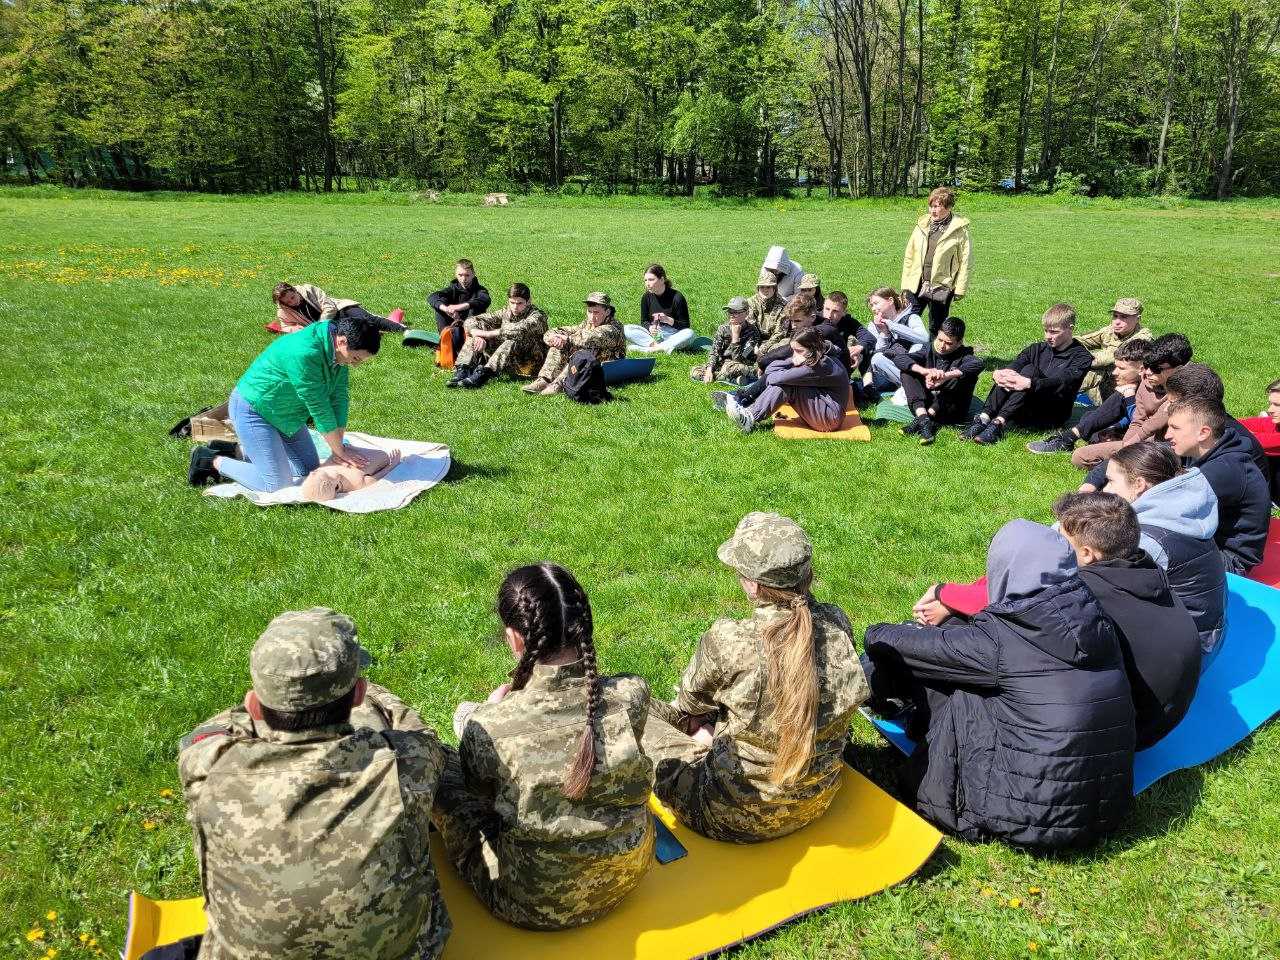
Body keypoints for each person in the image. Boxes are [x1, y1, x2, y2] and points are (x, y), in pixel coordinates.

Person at [178, 608, 451, 960]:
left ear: (254, 706)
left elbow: (204, 735)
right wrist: (378, 699)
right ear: (357, 693)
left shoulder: (207, 767)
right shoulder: (407, 762)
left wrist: (257, 710)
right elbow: (422, 736)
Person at [862, 520, 1134, 849]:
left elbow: (920, 648)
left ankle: (878, 702)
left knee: (954, 684)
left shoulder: (1005, 638)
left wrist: (876, 632)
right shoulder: (1093, 617)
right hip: (1103, 808)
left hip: (1031, 817)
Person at [432, 564, 654, 929]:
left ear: (514, 638)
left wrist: (483, 715)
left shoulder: (490, 727)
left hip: (532, 903)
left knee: (439, 766)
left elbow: (482, 797)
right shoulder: (631, 693)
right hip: (628, 874)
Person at [640, 513, 869, 842]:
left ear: (752, 583)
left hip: (730, 815)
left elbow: (690, 704)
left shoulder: (730, 641)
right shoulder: (837, 624)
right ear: (807, 574)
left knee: (628, 705)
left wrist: (703, 726)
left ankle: (706, 743)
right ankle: (713, 740)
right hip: (816, 800)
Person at [1053, 493, 1200, 749]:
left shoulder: (1082, 597)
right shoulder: (1146, 569)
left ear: (1087, 553)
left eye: (1061, 539)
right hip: (1166, 717)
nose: (1054, 543)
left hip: (1128, 735)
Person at [188, 315, 400, 491]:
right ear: (342, 341)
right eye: (356, 359)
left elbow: (339, 398)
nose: (355, 365)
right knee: (277, 484)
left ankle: (235, 451)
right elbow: (319, 406)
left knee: (308, 471)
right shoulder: (305, 352)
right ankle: (211, 460)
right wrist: (339, 450)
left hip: (286, 415)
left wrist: (339, 445)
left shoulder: (337, 353)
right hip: (254, 410)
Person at [1105, 442, 1226, 657]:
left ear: (1139, 484)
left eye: (1111, 481)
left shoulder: (1147, 540)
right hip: (1210, 635)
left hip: (1184, 654)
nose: (1105, 489)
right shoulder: (1184, 510)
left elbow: (1108, 591)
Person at [1165, 397, 1271, 574]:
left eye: (1175, 428)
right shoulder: (1203, 451)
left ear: (1203, 433)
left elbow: (1167, 511)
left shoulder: (1225, 469)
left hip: (1230, 562)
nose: (1167, 435)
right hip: (1209, 546)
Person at [962, 303, 1092, 446]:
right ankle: (984, 418)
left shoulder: (1082, 357)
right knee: (1011, 373)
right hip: (1024, 406)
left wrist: (1031, 383)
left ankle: (998, 423)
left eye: (1054, 332)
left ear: (1070, 329)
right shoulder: (1037, 349)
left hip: (1051, 412)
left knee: (1030, 371)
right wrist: (1000, 373)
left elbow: (1063, 381)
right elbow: (1016, 364)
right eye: (1046, 331)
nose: (1047, 336)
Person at [1027, 338, 1150, 454]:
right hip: (1130, 429)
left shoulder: (1153, 389)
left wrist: (1129, 397)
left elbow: (1142, 422)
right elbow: (1125, 416)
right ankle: (1101, 439)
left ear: (1141, 369)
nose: (1114, 372)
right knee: (1090, 418)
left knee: (1106, 409)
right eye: (1115, 367)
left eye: (1121, 368)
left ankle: (1069, 438)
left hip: (1147, 439)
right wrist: (1115, 428)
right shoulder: (1134, 384)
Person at [722, 328, 850, 434]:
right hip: (825, 410)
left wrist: (788, 366)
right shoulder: (816, 355)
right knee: (787, 381)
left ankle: (749, 417)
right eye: (793, 350)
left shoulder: (819, 365)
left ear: (812, 348)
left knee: (786, 385)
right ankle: (750, 410)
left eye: (799, 351)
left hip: (828, 419)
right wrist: (792, 361)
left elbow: (774, 378)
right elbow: (770, 369)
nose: (795, 355)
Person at [897, 317, 983, 445]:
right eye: (940, 339)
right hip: (924, 404)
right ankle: (923, 419)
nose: (942, 346)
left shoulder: (965, 355)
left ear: (959, 343)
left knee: (963, 375)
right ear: (937, 334)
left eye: (948, 343)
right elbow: (900, 359)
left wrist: (946, 376)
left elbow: (978, 364)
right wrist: (925, 371)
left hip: (950, 410)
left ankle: (924, 419)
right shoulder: (928, 349)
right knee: (907, 370)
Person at [900, 187, 972, 337]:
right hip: (917, 283)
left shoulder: (960, 230)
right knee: (907, 321)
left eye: (938, 206)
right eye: (931, 206)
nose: (933, 210)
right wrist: (906, 284)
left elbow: (965, 261)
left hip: (942, 285)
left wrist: (960, 289)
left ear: (949, 207)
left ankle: (933, 351)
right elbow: (909, 255)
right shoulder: (921, 225)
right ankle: (905, 351)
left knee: (936, 326)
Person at [446, 283, 549, 389]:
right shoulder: (506, 312)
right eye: (512, 302)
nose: (515, 307)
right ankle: (463, 369)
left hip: (530, 362)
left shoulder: (537, 316)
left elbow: (519, 330)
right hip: (509, 359)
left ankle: (484, 374)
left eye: (519, 303)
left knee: (512, 339)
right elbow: (471, 321)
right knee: (476, 334)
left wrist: (488, 334)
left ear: (529, 301)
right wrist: (478, 336)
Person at [524, 292, 626, 396]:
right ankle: (544, 380)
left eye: (596, 312)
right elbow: (567, 330)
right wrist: (553, 337)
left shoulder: (613, 328)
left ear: (607, 312)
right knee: (558, 345)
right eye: (589, 312)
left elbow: (589, 338)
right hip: (589, 363)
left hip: (607, 365)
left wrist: (567, 339)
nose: (592, 317)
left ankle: (559, 384)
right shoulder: (589, 323)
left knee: (584, 351)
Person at [1076, 298, 1154, 403]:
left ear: (1137, 319)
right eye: (1115, 316)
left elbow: (1105, 359)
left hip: (1128, 389)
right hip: (1108, 382)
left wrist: (1073, 357)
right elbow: (1083, 340)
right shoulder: (1111, 331)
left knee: (1084, 371)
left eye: (1124, 317)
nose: (1117, 322)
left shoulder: (1141, 339)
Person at [864, 286, 929, 396]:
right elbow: (878, 351)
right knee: (877, 358)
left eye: (876, 303)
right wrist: (884, 332)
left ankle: (915, 384)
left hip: (916, 364)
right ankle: (911, 386)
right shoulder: (874, 325)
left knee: (917, 346)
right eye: (871, 305)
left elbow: (924, 338)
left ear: (890, 301)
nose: (873, 308)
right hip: (894, 367)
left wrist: (892, 326)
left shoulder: (911, 317)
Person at [690, 297, 762, 385]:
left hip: (741, 364)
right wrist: (709, 370)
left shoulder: (753, 332)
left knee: (732, 367)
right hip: (722, 364)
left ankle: (728, 377)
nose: (732, 315)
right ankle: (731, 379)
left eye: (736, 312)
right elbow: (715, 352)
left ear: (746, 313)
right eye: (730, 312)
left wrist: (735, 338)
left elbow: (739, 359)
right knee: (695, 371)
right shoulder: (723, 329)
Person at [625, 264, 694, 353]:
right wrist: (650, 328)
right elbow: (644, 321)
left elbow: (685, 325)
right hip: (654, 336)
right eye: (645, 280)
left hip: (673, 335)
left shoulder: (677, 297)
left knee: (689, 333)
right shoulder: (646, 297)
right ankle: (659, 347)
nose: (647, 283)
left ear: (662, 280)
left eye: (651, 280)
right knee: (626, 329)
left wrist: (668, 320)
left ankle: (649, 349)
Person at [428, 259, 491, 355]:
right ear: (456, 274)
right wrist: (447, 309)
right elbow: (432, 297)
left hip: (472, 331)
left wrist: (459, 307)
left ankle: (468, 344)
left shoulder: (480, 290)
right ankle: (446, 342)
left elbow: (485, 300)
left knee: (475, 308)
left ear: (473, 274)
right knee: (439, 308)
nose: (463, 279)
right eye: (460, 275)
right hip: (453, 327)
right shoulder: (452, 289)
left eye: (467, 275)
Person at [300, 448, 401, 502]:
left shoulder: (324, 470)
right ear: (335, 486)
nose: (315, 471)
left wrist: (340, 450)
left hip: (348, 451)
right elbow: (376, 478)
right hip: (379, 458)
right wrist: (392, 465)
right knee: (383, 456)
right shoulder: (355, 483)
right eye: (326, 474)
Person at [1239, 378, 1280, 507]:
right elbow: (1239, 424)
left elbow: (1258, 441)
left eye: (1277, 405)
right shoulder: (1276, 423)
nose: (1270, 409)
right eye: (1271, 404)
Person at [822, 291, 876, 377]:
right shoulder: (815, 320)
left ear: (844, 312)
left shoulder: (847, 321)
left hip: (840, 363)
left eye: (835, 311)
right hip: (818, 362)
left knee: (865, 349)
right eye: (827, 309)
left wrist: (858, 348)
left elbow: (869, 337)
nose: (829, 315)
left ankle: (868, 383)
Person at [747, 269, 787, 341]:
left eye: (768, 287)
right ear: (758, 289)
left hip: (774, 341)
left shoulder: (783, 305)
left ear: (774, 289)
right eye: (762, 287)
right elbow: (750, 327)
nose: (765, 290)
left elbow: (780, 333)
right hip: (754, 339)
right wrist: (755, 344)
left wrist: (765, 347)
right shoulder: (751, 302)